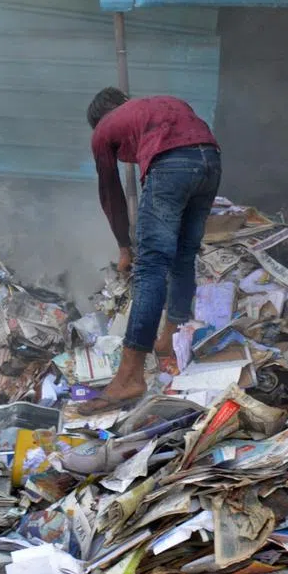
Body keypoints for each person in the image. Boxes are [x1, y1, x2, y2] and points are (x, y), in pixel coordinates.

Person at [78, 88, 221, 414]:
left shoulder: (103, 129)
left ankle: (129, 376)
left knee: (151, 266)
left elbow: (110, 192)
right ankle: (168, 340)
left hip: (173, 165)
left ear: (100, 120)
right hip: (211, 161)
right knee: (183, 257)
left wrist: (124, 246)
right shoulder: (161, 104)